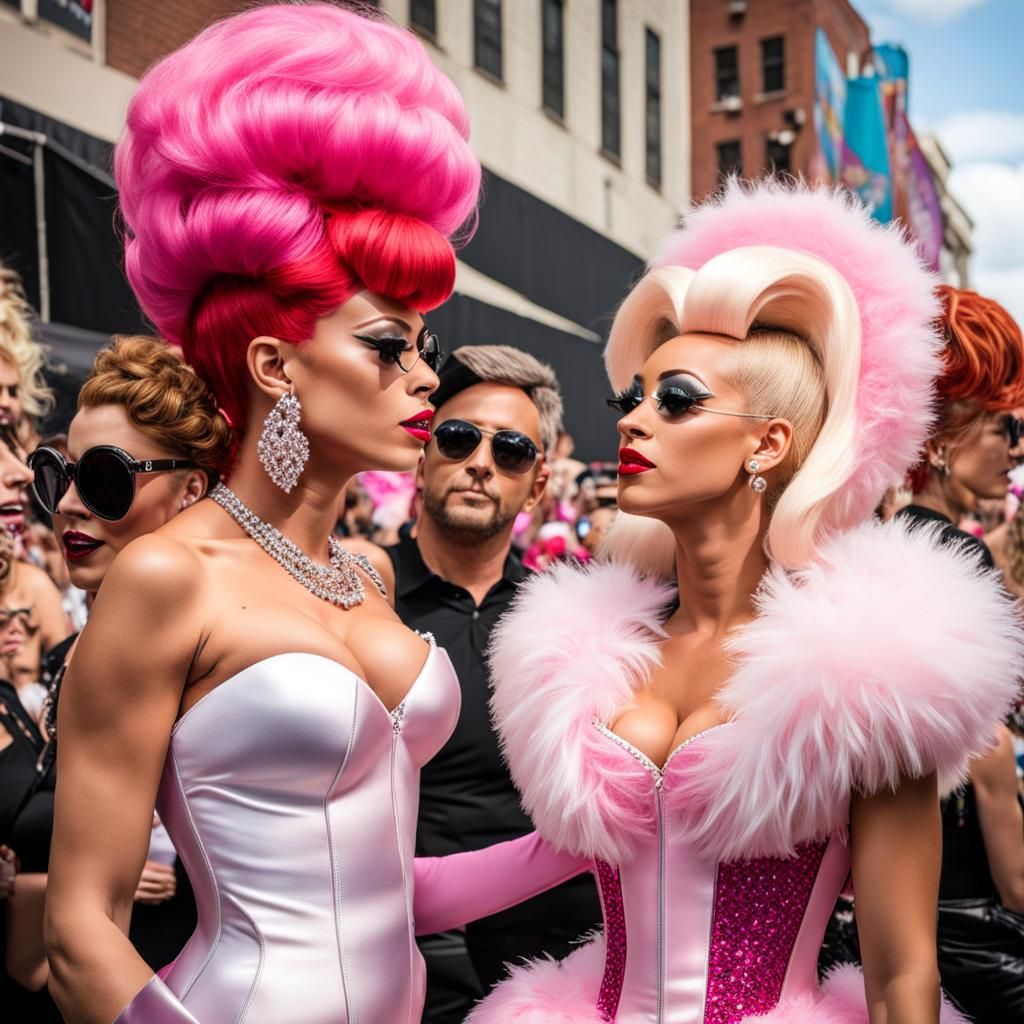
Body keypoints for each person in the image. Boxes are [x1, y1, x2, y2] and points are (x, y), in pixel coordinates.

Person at [44, 7, 582, 1024]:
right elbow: (80, 928)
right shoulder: (167, 577)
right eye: (389, 344)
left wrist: (589, 837)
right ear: (274, 365)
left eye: (423, 344)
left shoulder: (368, 577)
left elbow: (387, 893)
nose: (424, 376)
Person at [467, 182, 1021, 1024]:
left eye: (676, 400)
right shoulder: (582, 656)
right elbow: (530, 860)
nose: (633, 423)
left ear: (768, 442)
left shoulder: (871, 676)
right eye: (634, 397)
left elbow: (901, 977)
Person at [361, 346, 601, 1022]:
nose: (480, 464)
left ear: (539, 482)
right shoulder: (358, 597)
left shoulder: (571, 615)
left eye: (512, 451)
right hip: (395, 952)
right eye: (459, 437)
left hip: (554, 968)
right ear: (421, 456)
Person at [32, 334, 233, 974]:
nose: (67, 504)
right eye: (58, 474)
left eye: (104, 479)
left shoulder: (232, 654)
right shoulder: (80, 643)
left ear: (190, 491)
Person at [896, 287, 1024, 1020]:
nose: (1014, 448)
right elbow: (986, 751)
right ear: (941, 443)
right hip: (962, 909)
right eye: (1001, 427)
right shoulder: (955, 560)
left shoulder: (885, 547)